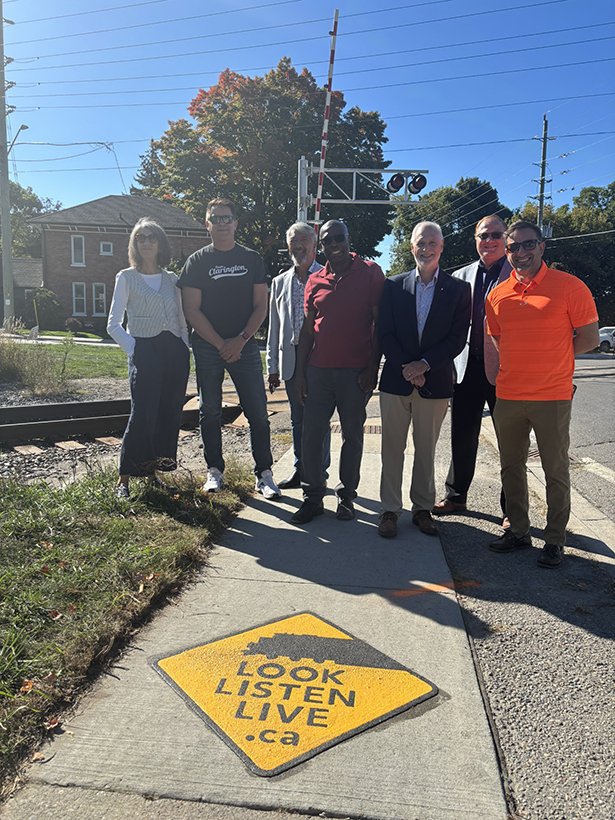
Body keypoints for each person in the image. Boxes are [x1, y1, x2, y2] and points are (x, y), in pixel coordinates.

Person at [485, 220, 599, 568]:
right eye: (513, 247)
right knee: (511, 467)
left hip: (552, 395)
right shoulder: (497, 294)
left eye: (528, 244)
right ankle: (518, 531)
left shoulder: (570, 287)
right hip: (509, 395)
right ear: (507, 252)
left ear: (541, 246)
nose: (521, 252)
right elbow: (498, 339)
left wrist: (555, 357)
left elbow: (590, 338)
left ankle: (554, 539)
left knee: (555, 468)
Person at [178, 197, 281, 500]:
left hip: (245, 345)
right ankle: (214, 471)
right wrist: (222, 344)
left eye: (227, 218)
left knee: (258, 412)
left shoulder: (251, 259)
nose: (222, 223)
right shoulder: (196, 262)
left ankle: (264, 474)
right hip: (209, 347)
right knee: (209, 410)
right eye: (215, 218)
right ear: (206, 224)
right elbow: (191, 309)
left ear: (236, 223)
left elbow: (261, 305)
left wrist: (241, 339)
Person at [377, 221, 471, 538]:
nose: (426, 248)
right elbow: (384, 333)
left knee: (426, 449)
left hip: (435, 381)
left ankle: (422, 509)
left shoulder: (459, 290)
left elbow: (458, 338)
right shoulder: (392, 286)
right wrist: (408, 366)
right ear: (411, 247)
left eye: (432, 242)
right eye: (420, 242)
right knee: (392, 447)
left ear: (442, 246)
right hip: (395, 381)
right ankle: (390, 510)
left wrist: (424, 365)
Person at [291, 219, 384, 524]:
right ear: (321, 246)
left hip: (354, 373)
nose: (335, 246)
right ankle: (313, 496)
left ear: (348, 239)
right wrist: (301, 373)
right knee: (311, 436)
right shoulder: (315, 281)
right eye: (328, 241)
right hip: (318, 372)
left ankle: (346, 498)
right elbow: (307, 331)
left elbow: (379, 325)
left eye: (339, 239)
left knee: (352, 436)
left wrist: (372, 368)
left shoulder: (370, 273)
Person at [433, 215, 511, 521]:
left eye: (495, 235)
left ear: (506, 238)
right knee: (462, 434)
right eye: (483, 236)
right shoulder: (461, 275)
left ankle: (511, 508)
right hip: (466, 367)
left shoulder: (517, 272)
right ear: (475, 240)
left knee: (510, 441)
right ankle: (456, 496)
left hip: (505, 371)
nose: (489, 241)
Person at [107, 218, 190, 498]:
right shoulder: (126, 277)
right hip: (144, 350)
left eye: (151, 237)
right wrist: (135, 349)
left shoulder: (172, 279)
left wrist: (184, 346)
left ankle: (153, 471)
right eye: (140, 237)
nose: (146, 242)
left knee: (167, 412)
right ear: (134, 243)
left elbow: (181, 318)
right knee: (142, 413)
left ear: (160, 242)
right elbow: (113, 324)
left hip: (173, 351)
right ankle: (123, 480)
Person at [266, 221, 331, 489]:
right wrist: (272, 366)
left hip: (319, 359)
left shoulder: (328, 277)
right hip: (290, 360)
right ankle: (300, 469)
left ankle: (320, 473)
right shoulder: (280, 282)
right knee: (297, 420)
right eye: (293, 240)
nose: (298, 245)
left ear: (315, 245)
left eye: (304, 239)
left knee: (319, 420)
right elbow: (274, 327)